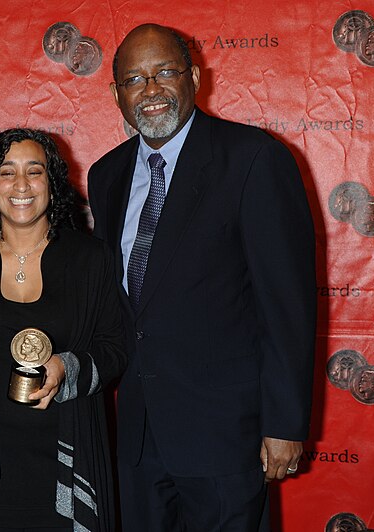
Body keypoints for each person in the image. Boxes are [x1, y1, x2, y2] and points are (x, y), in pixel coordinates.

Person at [87, 24, 316, 531]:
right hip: (138, 439)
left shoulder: (254, 159)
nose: (150, 90)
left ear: (193, 76)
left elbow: (286, 304)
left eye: (164, 72)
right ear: (117, 94)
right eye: (134, 79)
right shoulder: (106, 175)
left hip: (225, 436)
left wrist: (283, 423)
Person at [0, 128, 127, 532]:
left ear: (52, 183)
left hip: (64, 469)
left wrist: (67, 369)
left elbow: (116, 347)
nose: (21, 185)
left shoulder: (91, 260)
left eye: (34, 171)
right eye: (7, 172)